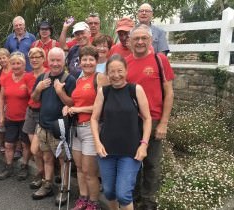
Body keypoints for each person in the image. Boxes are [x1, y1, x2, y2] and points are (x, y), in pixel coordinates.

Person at [90, 54, 152, 210]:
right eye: (112, 71)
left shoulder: (135, 90)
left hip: (130, 151)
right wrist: (97, 143)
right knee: (110, 192)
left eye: (120, 71)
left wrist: (144, 144)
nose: (116, 75)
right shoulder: (103, 92)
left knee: (123, 194)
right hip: (106, 151)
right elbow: (94, 119)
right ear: (107, 73)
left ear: (126, 70)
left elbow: (147, 118)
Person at [126, 24, 175, 210]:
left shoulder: (159, 59)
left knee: (152, 163)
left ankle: (148, 201)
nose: (139, 42)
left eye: (143, 38)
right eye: (136, 39)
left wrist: (163, 122)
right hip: (131, 122)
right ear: (130, 42)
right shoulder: (125, 62)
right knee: (132, 161)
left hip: (153, 120)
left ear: (150, 40)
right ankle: (134, 195)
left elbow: (169, 93)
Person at [63, 46, 108, 210]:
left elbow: (102, 106)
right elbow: (76, 103)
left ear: (96, 61)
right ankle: (83, 198)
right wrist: (68, 108)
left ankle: (94, 202)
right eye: (84, 59)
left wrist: (78, 109)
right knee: (80, 169)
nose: (87, 62)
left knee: (90, 171)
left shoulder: (100, 78)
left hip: (91, 128)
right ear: (79, 62)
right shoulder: (80, 80)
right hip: (76, 128)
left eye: (91, 59)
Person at [31, 47, 76, 206]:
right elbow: (35, 99)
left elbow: (72, 104)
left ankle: (64, 189)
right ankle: (47, 184)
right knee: (47, 157)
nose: (55, 63)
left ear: (64, 61)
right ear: (47, 61)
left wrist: (59, 92)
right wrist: (38, 88)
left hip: (60, 128)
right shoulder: (43, 77)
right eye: (52, 60)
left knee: (63, 159)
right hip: (43, 125)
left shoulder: (69, 79)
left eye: (58, 60)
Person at [0, 52, 32, 181]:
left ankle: (24, 166)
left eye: (19, 63)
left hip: (25, 118)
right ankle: (9, 166)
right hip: (10, 117)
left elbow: (33, 97)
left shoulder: (28, 77)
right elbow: (1, 98)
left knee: (25, 144)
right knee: (8, 144)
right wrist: (1, 116)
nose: (16, 66)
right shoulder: (6, 78)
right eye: (13, 63)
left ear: (24, 65)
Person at [23, 47, 47, 189]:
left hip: (43, 113)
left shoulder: (48, 74)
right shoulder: (27, 76)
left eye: (38, 57)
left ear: (43, 59)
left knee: (37, 148)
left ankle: (46, 176)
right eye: (32, 57)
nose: (35, 59)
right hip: (30, 112)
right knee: (36, 150)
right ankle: (41, 173)